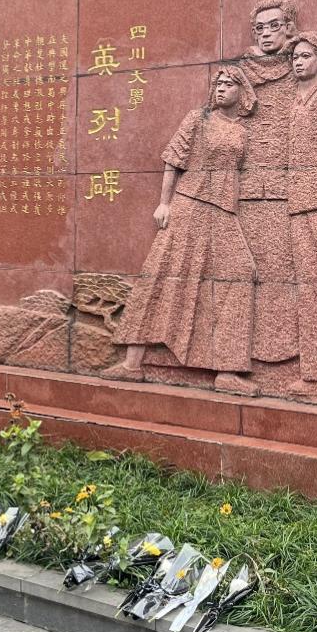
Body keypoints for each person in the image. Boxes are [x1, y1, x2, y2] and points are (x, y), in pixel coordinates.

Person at [104, 67, 258, 394]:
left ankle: (227, 371)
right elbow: (173, 160)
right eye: (218, 83)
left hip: (224, 210)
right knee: (163, 275)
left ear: (242, 92)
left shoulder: (243, 131)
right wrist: (165, 203)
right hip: (190, 203)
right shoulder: (197, 119)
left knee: (240, 273)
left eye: (229, 84)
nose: (221, 89)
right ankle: (132, 364)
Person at [237, 0, 300, 367]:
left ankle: (286, 351)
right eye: (259, 28)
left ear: (289, 27)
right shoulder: (239, 75)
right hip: (245, 190)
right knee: (247, 271)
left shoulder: (302, 69)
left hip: (289, 190)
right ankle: (244, 352)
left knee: (285, 270)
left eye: (274, 25)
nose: (265, 33)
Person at [286, 33, 317, 394]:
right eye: (294, 57)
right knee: (309, 289)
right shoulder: (294, 98)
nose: (298, 62)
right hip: (299, 203)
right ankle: (314, 375)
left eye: (305, 56)